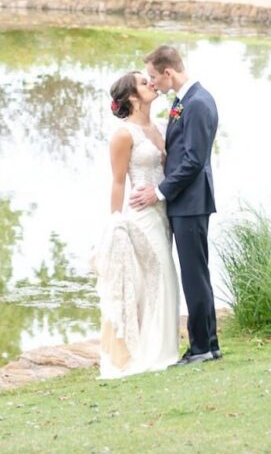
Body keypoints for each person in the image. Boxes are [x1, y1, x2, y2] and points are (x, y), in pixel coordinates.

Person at [129, 44, 221, 365]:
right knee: (196, 274)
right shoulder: (185, 101)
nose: (153, 83)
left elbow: (194, 160)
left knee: (194, 276)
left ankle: (201, 349)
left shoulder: (197, 103)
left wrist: (160, 191)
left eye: (154, 76)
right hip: (186, 202)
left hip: (191, 201)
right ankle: (208, 343)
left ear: (169, 72)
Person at [92, 70, 181, 379]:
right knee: (157, 277)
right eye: (144, 83)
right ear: (132, 96)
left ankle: (164, 346)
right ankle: (150, 351)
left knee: (162, 277)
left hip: (164, 211)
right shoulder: (124, 134)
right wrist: (115, 226)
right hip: (140, 216)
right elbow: (117, 183)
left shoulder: (161, 126)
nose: (151, 84)